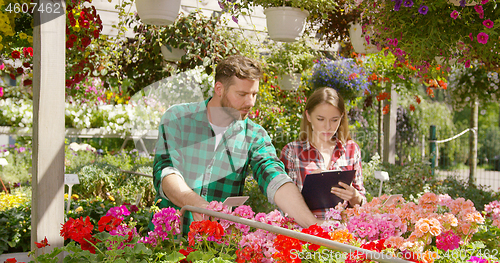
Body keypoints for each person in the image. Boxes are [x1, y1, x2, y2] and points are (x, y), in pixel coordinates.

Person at [152, 55, 322, 234]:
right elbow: (166, 171)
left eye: (254, 94)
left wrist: (315, 227)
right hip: (169, 241)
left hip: (214, 248)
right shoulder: (178, 119)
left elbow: (274, 177)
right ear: (219, 89)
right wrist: (195, 203)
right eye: (242, 94)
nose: (250, 102)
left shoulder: (254, 136)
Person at [280, 87, 366, 219]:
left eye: (334, 120)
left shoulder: (351, 150)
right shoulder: (292, 152)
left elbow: (362, 204)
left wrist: (355, 196)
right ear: (308, 116)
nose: (328, 126)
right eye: (320, 119)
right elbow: (284, 204)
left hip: (343, 235)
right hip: (305, 234)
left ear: (341, 117)